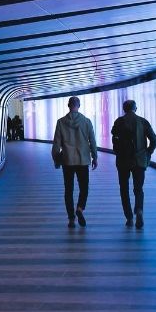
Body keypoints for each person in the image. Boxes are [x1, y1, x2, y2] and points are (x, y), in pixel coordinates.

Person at [111, 99, 156, 229]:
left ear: (124, 109)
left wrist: (117, 150)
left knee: (124, 189)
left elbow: (114, 137)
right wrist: (148, 152)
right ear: (135, 109)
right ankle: (139, 211)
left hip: (122, 161)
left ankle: (129, 218)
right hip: (139, 160)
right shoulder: (142, 121)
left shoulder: (119, 122)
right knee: (138, 189)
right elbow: (154, 139)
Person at [52, 96, 97, 227]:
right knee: (84, 187)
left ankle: (71, 219)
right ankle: (80, 208)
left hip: (67, 160)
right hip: (83, 160)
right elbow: (92, 141)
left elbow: (56, 144)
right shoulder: (86, 121)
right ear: (79, 105)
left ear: (68, 105)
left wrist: (56, 159)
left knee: (68, 190)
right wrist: (95, 157)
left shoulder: (61, 122)